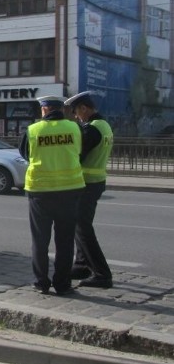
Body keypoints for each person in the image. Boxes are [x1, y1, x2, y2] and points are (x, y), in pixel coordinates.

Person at [18, 95, 85, 296]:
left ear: (44, 110)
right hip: (69, 190)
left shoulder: (33, 130)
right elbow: (80, 151)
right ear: (62, 110)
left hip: (40, 192)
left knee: (40, 240)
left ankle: (41, 282)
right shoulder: (75, 128)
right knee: (65, 241)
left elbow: (24, 154)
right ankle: (63, 284)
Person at [66, 91, 115, 289]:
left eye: (77, 112)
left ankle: (102, 273)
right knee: (80, 226)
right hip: (96, 181)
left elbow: (77, 155)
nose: (77, 117)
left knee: (82, 228)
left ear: (84, 108)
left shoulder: (92, 129)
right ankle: (81, 265)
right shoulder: (103, 125)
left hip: (88, 183)